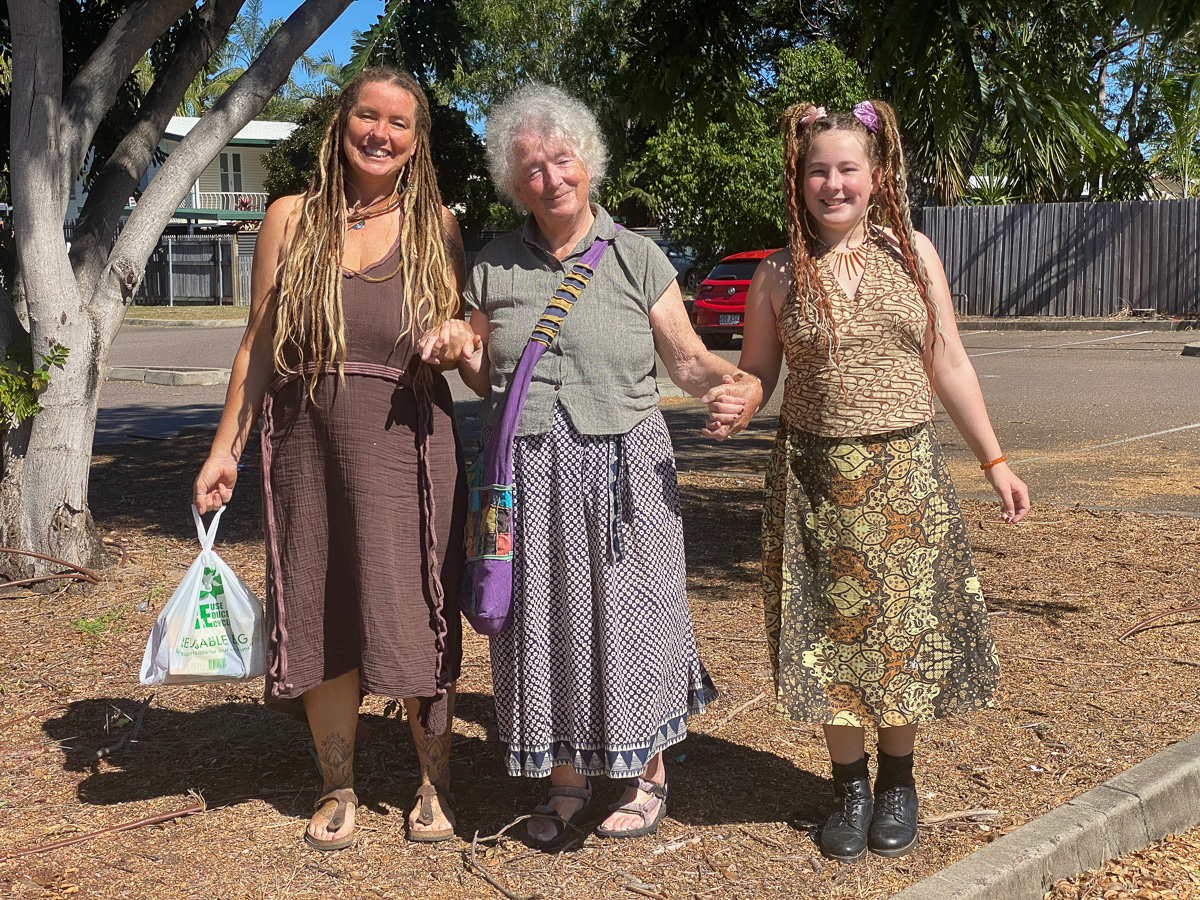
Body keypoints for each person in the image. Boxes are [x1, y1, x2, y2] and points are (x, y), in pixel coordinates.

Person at [705, 100, 1030, 863]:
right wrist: (737, 401)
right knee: (831, 638)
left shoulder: (913, 253)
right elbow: (759, 373)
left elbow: (946, 360)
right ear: (800, 178)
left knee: (901, 637)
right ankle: (848, 785)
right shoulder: (778, 273)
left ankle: (898, 781)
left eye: (848, 168)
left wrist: (996, 460)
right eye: (818, 170)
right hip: (813, 480)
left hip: (904, 475)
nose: (833, 183)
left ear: (876, 175)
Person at [440, 83, 761, 848]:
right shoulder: (492, 268)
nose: (550, 178)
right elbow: (488, 378)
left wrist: (738, 383)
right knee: (542, 622)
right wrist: (461, 348)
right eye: (531, 168)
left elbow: (685, 362)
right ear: (512, 183)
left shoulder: (636, 257)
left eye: (562, 159)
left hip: (623, 469)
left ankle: (647, 772)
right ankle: (566, 779)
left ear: (589, 161)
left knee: (634, 620)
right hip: (526, 476)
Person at [192, 67, 475, 850]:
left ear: (417, 142)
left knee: (419, 609)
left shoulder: (438, 227)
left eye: (399, 124)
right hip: (306, 444)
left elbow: (464, 340)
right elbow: (257, 343)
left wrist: (458, 341)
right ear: (341, 122)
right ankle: (337, 783)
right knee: (318, 607)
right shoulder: (289, 217)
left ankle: (433, 781)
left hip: (408, 446)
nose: (380, 134)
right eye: (367, 117)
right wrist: (227, 450)